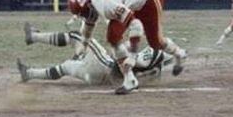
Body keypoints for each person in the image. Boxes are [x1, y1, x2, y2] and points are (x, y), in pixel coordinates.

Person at [67, 0, 187, 94]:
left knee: (155, 42)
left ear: (89, 4)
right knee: (113, 36)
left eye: (84, 13)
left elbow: (136, 26)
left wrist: (132, 57)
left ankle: (179, 54)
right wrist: (83, 46)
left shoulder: (105, 3)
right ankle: (130, 80)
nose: (85, 16)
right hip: (129, 0)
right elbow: (88, 25)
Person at [18, 20, 173, 85]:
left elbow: (130, 60)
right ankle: (29, 74)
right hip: (99, 80)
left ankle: (33, 36)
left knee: (79, 36)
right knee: (66, 67)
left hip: (105, 67)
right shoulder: (155, 69)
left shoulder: (152, 53)